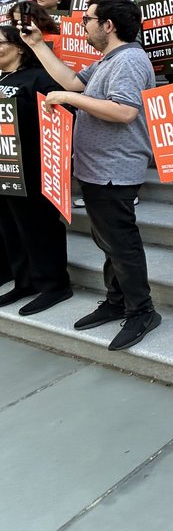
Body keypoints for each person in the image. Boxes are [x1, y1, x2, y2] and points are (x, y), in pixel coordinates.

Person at [19, 0, 160, 349]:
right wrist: (37, 45)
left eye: (88, 19)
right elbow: (71, 82)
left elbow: (124, 111)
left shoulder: (128, 60)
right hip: (99, 168)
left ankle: (142, 311)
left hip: (115, 168)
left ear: (108, 25)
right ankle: (116, 301)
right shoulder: (109, 60)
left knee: (121, 243)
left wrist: (69, 102)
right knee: (108, 241)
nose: (83, 25)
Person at [0, 24, 71, 317]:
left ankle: (54, 284)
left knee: (38, 227)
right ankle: (24, 280)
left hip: (31, 167)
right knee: (10, 228)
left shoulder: (39, 77)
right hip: (3, 167)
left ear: (18, 47)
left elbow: (60, 114)